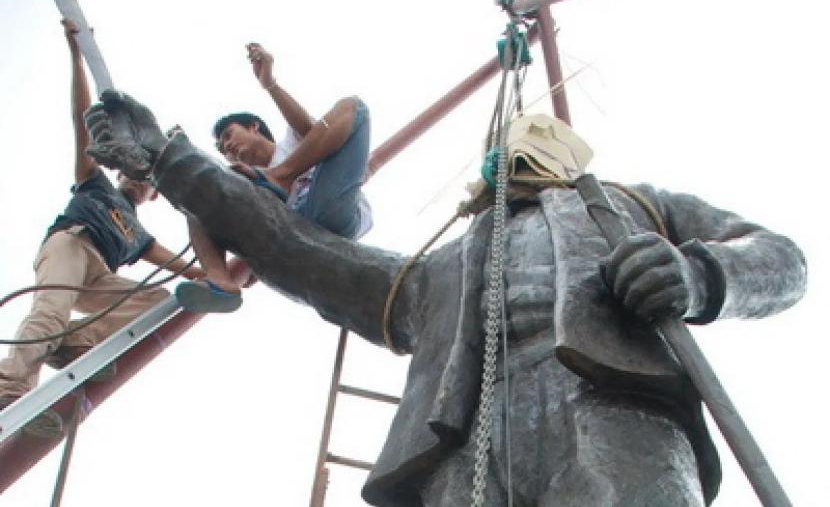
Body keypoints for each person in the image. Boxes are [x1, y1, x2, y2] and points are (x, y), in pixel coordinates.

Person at [83, 91, 806, 506]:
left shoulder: (634, 208)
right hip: (458, 449)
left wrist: (699, 275)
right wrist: (171, 161)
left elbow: (780, 257)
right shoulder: (442, 267)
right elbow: (296, 249)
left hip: (618, 425)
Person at [0, 20, 205, 438]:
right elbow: (81, 120)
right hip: (72, 244)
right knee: (51, 311)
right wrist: (76, 55)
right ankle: (10, 388)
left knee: (158, 302)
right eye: (133, 173)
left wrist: (225, 276)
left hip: (99, 272)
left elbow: (182, 266)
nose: (137, 180)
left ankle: (72, 340)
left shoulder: (136, 232)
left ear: (152, 193)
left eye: (146, 180)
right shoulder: (95, 182)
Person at [174, 42, 372, 312]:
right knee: (196, 194)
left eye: (228, 136)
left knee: (354, 107)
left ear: (254, 127)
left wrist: (270, 84)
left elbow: (312, 128)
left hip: (328, 209)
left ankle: (281, 176)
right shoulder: (244, 179)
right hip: (288, 233)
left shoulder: (293, 143)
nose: (227, 148)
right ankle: (220, 282)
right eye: (222, 149)